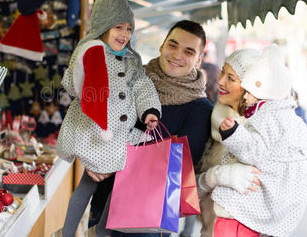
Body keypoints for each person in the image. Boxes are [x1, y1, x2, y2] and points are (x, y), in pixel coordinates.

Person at [56, 0, 161, 237]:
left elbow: (143, 87)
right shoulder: (89, 52)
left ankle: (101, 232)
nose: (124, 34)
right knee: (87, 187)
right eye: (118, 28)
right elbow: (72, 83)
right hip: (99, 136)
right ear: (103, 27)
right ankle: (67, 233)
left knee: (120, 191)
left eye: (128, 29)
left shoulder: (132, 61)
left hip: (126, 138)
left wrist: (149, 111)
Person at [90, 20, 214, 237]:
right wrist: (91, 156)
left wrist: (111, 160)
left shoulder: (200, 109)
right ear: (162, 45)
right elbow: (101, 124)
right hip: (103, 204)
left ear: (198, 59)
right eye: (172, 45)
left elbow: (177, 166)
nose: (177, 55)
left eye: (188, 51)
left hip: (147, 220)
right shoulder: (131, 81)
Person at [200, 45, 307, 237]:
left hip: (255, 222)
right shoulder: (209, 115)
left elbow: (302, 162)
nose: (220, 81)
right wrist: (216, 176)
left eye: (231, 78)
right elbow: (184, 192)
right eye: (222, 72)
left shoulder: (269, 123)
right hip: (218, 224)